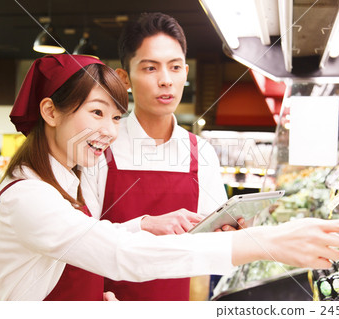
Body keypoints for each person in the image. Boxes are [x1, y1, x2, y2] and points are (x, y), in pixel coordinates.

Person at [0, 53, 339, 301]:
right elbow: (121, 256)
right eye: (96, 113)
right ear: (50, 112)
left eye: (116, 117)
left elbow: (91, 240)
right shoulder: (28, 198)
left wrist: (146, 223)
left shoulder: (66, 181)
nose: (109, 131)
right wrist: (262, 242)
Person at [83, 12, 238, 301]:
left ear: (185, 74)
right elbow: (82, 240)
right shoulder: (101, 148)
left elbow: (211, 251)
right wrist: (143, 225)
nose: (166, 80)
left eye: (175, 67)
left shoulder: (201, 152)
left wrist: (235, 231)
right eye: (151, 68)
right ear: (124, 78)